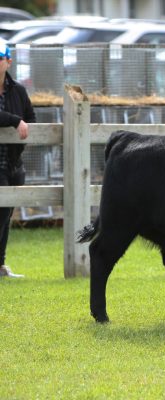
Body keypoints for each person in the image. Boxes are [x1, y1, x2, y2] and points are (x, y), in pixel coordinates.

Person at [0, 44, 34, 278]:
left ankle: (0, 265)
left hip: (13, 163)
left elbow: (31, 118)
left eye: (0, 57)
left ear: (8, 62)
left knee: (6, 216)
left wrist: (23, 129)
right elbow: (19, 120)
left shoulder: (19, 91)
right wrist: (15, 121)